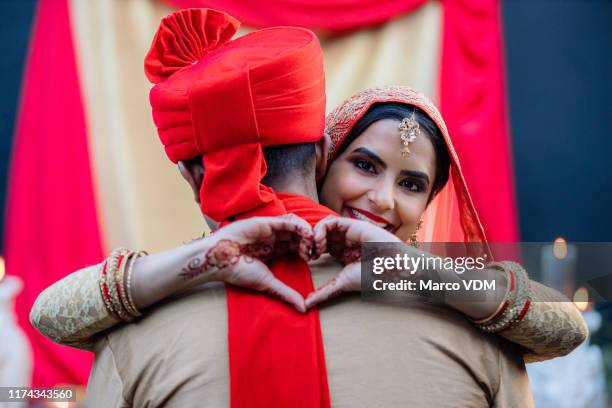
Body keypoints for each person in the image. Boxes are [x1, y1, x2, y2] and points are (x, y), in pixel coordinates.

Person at [30, 26, 587, 365]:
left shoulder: (434, 288)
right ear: (323, 156)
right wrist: (203, 262)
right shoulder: (224, 264)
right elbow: (50, 315)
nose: (382, 199)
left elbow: (566, 327)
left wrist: (405, 270)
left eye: (411, 184)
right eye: (364, 165)